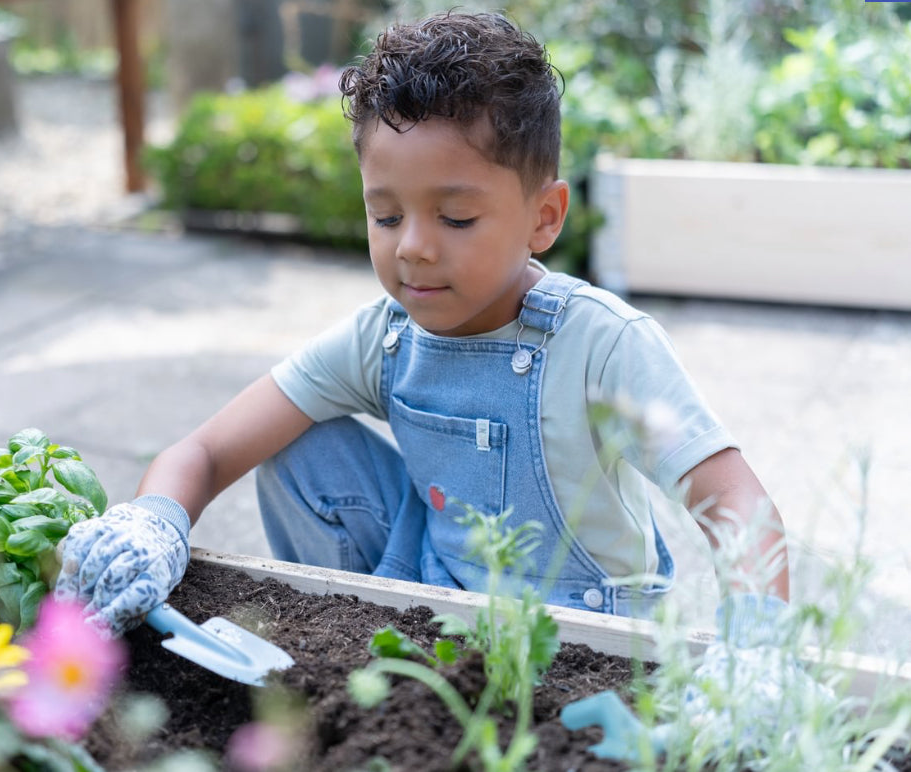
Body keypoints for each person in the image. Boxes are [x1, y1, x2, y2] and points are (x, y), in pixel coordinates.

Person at [55, 11, 789, 639]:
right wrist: (152, 522)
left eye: (456, 216)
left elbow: (732, 498)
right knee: (297, 440)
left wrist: (759, 645)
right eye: (386, 214)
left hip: (586, 632)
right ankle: (354, 639)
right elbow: (210, 449)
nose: (413, 246)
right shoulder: (385, 336)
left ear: (544, 217)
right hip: (430, 599)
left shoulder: (599, 344)